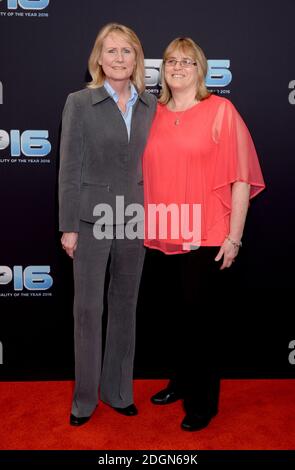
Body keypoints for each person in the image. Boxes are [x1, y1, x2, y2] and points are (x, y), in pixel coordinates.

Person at [142, 37, 265, 431]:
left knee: (201, 323)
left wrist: (234, 236)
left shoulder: (220, 111)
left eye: (187, 61)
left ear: (201, 69)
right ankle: (180, 381)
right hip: (162, 230)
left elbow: (241, 179)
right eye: (171, 61)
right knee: (174, 317)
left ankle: (203, 401)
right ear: (163, 70)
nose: (178, 67)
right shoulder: (151, 112)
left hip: (208, 233)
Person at [59, 23, 156, 426]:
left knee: (125, 307)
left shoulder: (153, 105)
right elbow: (69, 168)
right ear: (98, 58)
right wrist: (69, 226)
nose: (119, 58)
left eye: (127, 51)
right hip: (91, 218)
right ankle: (85, 400)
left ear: (137, 59)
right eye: (111, 51)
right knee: (87, 310)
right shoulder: (80, 103)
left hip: (135, 218)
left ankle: (117, 391)